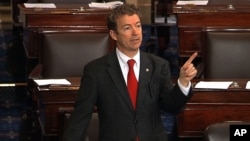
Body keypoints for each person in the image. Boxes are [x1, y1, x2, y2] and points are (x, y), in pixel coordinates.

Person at [63, 3, 197, 141]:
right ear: (114, 34)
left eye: (138, 25)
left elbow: (172, 107)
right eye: (127, 28)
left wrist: (183, 82)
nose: (135, 32)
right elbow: (80, 119)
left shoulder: (158, 65)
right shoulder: (96, 71)